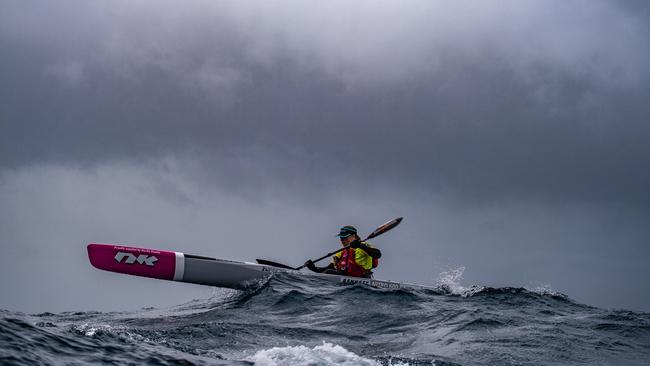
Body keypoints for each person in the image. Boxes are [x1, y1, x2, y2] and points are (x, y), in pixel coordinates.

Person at [304, 225, 381, 278]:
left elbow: (378, 254)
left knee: (329, 272)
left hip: (362, 282)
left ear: (353, 236)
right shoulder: (341, 252)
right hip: (345, 283)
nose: (342, 240)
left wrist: (359, 245)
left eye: (345, 238)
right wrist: (313, 268)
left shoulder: (363, 246)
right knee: (329, 271)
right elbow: (329, 269)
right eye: (341, 238)